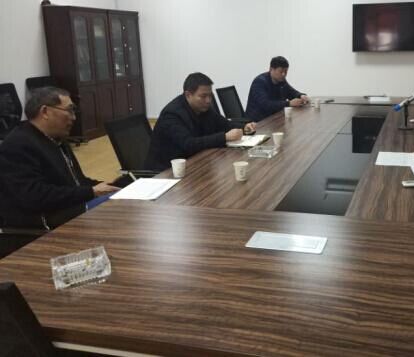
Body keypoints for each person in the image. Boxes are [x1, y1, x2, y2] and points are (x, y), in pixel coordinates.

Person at [0, 87, 119, 257]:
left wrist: (104, 185)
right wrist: (91, 191)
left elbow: (76, 182)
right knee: (115, 212)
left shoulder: (56, 139)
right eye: (69, 110)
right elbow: (34, 197)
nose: (73, 117)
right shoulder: (18, 145)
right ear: (45, 111)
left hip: (67, 207)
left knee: (121, 197)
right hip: (43, 221)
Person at [145, 72, 256, 171]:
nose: (208, 100)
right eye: (203, 96)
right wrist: (225, 137)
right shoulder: (172, 114)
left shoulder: (203, 108)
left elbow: (223, 123)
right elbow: (188, 144)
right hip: (167, 172)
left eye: (210, 96)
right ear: (188, 95)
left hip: (194, 163)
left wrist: (243, 127)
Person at [245, 56, 309, 122]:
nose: (283, 74)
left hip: (273, 119)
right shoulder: (259, 82)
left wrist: (301, 96)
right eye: (281, 71)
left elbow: (291, 92)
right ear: (271, 69)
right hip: (257, 122)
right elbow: (266, 104)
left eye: (286, 71)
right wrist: (289, 103)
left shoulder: (281, 80)